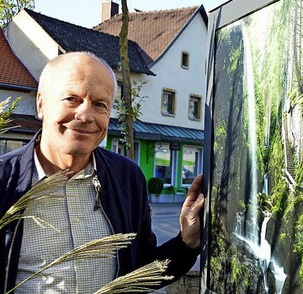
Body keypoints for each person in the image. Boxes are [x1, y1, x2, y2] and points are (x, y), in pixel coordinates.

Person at [0, 52, 206, 293]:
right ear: (41, 104)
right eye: (72, 99)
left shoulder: (127, 177)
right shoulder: (5, 181)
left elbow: (142, 271)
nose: (86, 116)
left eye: (100, 104)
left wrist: (186, 243)